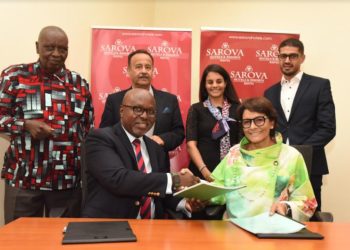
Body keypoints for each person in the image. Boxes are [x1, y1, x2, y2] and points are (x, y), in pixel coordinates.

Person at [0, 26, 94, 224]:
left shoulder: (79, 83)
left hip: (66, 181)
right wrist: (25, 125)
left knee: (62, 239)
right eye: (49, 47)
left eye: (63, 49)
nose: (57, 54)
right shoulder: (14, 77)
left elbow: (87, 129)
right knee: (20, 241)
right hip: (24, 178)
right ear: (37, 47)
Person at [82, 88, 199, 219]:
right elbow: (119, 179)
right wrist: (174, 180)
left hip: (153, 230)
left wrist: (185, 204)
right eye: (138, 109)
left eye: (151, 112)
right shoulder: (100, 138)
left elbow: (159, 190)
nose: (144, 116)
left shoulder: (156, 148)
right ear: (122, 111)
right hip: (109, 228)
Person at [210, 97, 317, 222]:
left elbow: (307, 203)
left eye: (259, 120)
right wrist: (200, 195)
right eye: (247, 122)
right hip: (233, 229)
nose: (253, 127)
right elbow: (217, 188)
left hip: (274, 231)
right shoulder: (234, 153)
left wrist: (286, 207)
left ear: (272, 123)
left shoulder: (291, 156)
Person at [264, 38, 336, 211]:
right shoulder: (269, 92)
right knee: (276, 214)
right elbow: (267, 129)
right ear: (278, 58)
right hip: (276, 167)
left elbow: (328, 128)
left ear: (302, 58)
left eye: (293, 56)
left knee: (309, 217)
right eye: (283, 56)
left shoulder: (320, 85)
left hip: (309, 164)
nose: (287, 60)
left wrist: (298, 152)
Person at [99, 49, 184, 168]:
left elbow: (179, 133)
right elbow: (105, 133)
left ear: (153, 71)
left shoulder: (169, 100)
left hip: (158, 168)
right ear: (128, 71)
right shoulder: (115, 100)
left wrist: (162, 139)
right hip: (123, 167)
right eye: (138, 67)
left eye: (148, 67)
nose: (144, 71)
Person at [186, 64, 240, 182]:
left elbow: (242, 144)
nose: (214, 85)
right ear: (205, 85)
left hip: (232, 173)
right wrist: (205, 172)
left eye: (219, 81)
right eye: (210, 82)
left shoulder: (238, 109)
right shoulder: (196, 109)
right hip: (201, 172)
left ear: (225, 83)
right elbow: (191, 145)